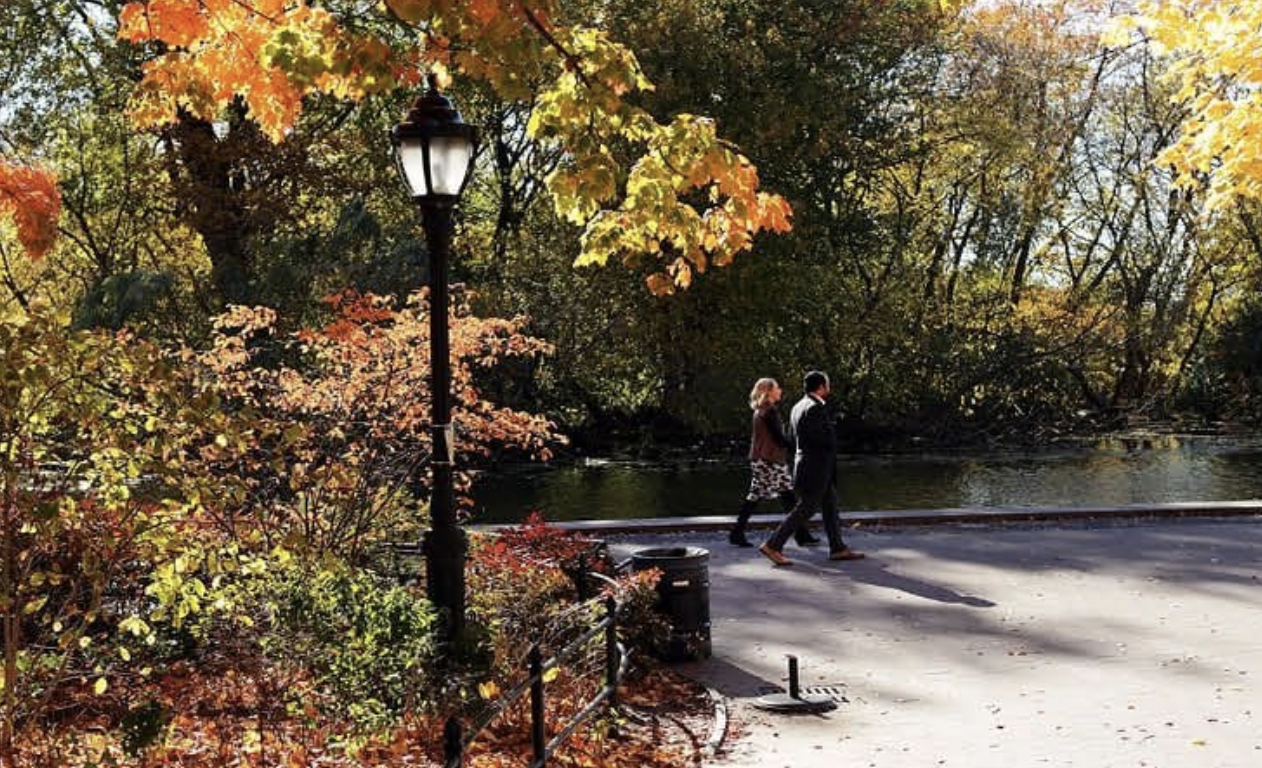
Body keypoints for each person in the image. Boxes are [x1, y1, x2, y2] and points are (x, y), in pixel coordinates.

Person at [758, 370, 865, 566]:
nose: (829, 387)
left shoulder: (798, 406)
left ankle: (838, 548)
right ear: (822, 386)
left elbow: (794, 439)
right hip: (816, 468)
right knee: (806, 508)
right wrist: (834, 443)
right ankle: (773, 545)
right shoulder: (815, 408)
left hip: (807, 465)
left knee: (830, 505)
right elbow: (820, 439)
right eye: (827, 384)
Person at [730, 378, 821, 548]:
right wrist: (798, 447)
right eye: (777, 388)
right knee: (776, 496)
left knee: (778, 496)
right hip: (769, 461)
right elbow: (778, 438)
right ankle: (801, 535)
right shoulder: (769, 411)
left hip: (763, 459)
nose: (780, 390)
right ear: (769, 391)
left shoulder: (760, 410)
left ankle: (801, 535)